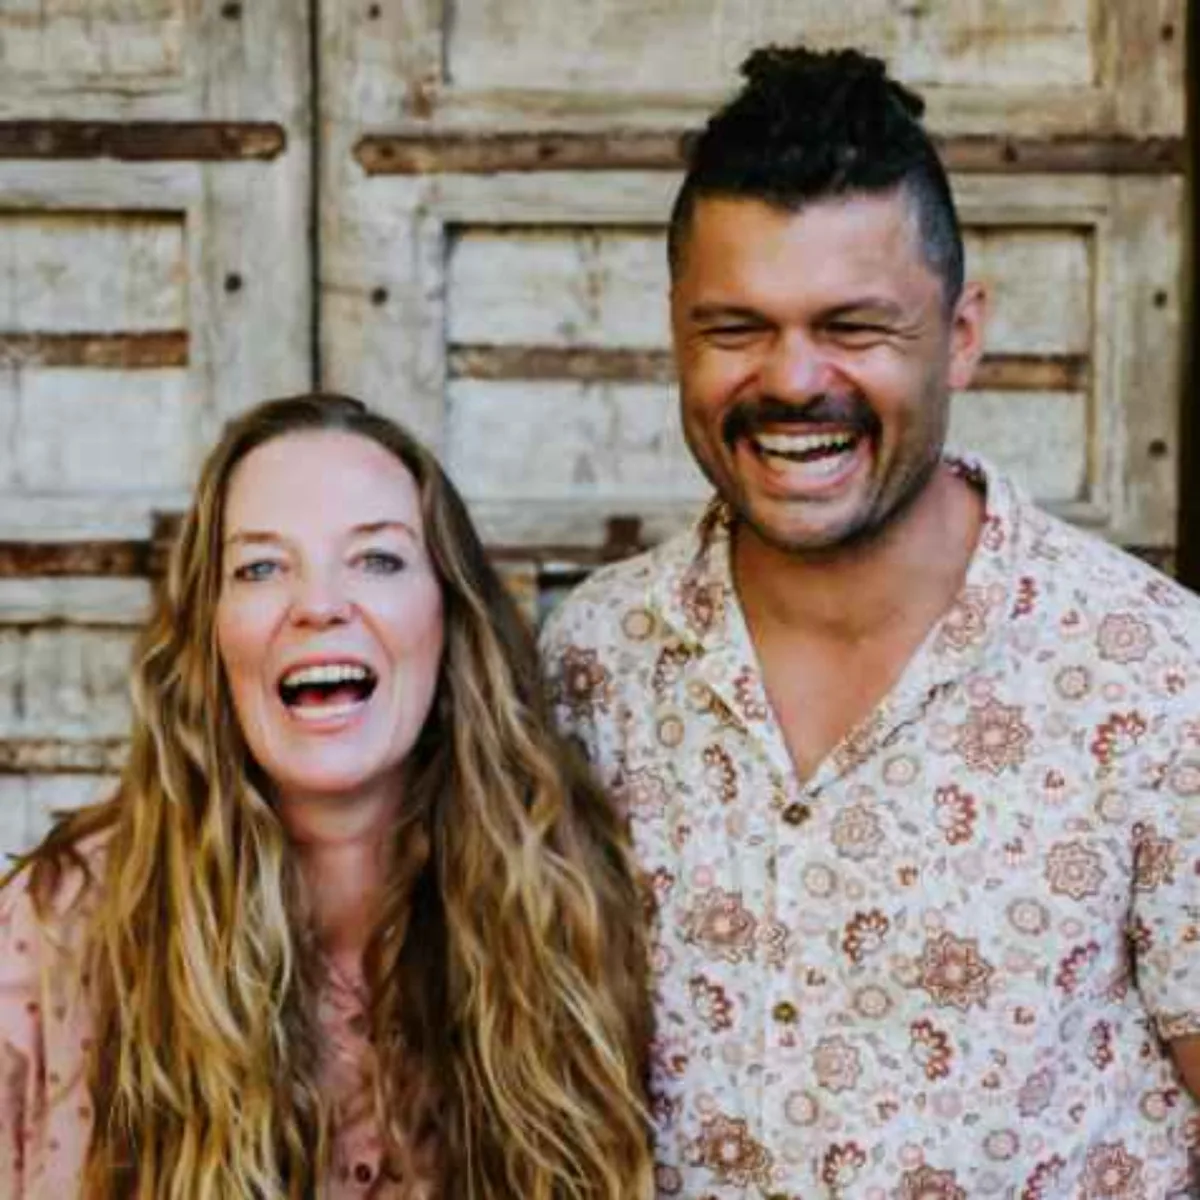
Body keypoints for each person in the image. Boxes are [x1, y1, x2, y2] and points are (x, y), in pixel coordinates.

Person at [541, 45, 1200, 1196]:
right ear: (676, 336)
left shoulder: (1153, 675)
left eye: (854, 327)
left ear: (962, 334)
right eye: (736, 328)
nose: (794, 379)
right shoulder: (587, 665)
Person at [0, 393, 654, 1199]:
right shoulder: (58, 927)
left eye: (377, 559)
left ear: (448, 614)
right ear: (210, 630)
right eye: (261, 567)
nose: (318, 606)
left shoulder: (575, 908)